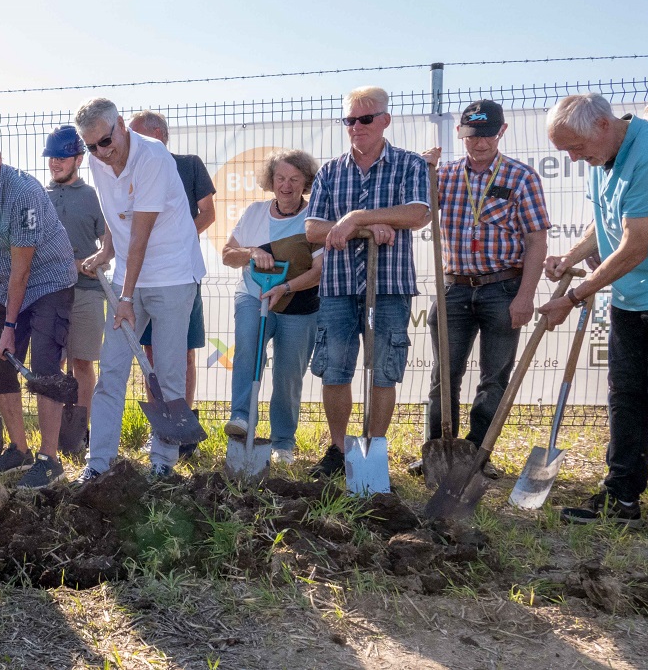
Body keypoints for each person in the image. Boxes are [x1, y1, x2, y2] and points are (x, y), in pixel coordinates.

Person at [537, 93, 648, 527]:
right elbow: (604, 219)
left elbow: (634, 245)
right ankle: (621, 498)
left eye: (574, 148)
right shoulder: (603, 156)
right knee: (626, 398)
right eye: (564, 150)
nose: (572, 158)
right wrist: (570, 257)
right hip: (630, 299)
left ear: (603, 126)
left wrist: (573, 297)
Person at [74, 98, 206, 482]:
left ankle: (163, 462)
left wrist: (126, 298)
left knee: (167, 372)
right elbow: (119, 218)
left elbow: (142, 235)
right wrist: (106, 251)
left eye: (105, 141)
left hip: (172, 274)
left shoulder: (153, 158)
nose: (101, 151)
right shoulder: (100, 161)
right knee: (112, 369)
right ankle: (97, 464)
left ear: (121, 127)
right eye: (92, 146)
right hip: (128, 274)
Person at [303, 86, 430, 479]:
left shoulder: (409, 164)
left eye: (366, 119)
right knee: (335, 371)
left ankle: (373, 450)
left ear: (385, 120)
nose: (356, 127)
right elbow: (312, 229)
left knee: (383, 371)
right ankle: (340, 450)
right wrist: (364, 227)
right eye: (350, 120)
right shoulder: (330, 170)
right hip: (338, 287)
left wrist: (355, 216)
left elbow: (417, 214)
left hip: (389, 287)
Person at [417, 100, 549, 468]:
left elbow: (537, 240)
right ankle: (439, 452)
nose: (480, 144)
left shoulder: (521, 177)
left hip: (503, 288)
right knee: (444, 375)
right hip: (454, 288)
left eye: (488, 135)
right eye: (473, 136)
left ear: (501, 132)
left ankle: (477, 454)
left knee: (494, 378)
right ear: (461, 134)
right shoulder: (441, 176)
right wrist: (420, 171)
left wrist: (526, 296)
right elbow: (414, 215)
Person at [0, 134, 77, 489]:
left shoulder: (23, 193)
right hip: (9, 284)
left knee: (47, 370)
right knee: (1, 368)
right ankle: (19, 450)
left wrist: (9, 326)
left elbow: (24, 268)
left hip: (49, 280)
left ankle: (50, 459)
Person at [222, 150, 323, 464]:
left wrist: (286, 286)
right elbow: (227, 254)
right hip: (255, 295)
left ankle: (282, 443)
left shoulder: (315, 219)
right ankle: (241, 418)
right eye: (280, 178)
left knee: (288, 375)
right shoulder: (255, 212)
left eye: (294, 179)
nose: (286, 185)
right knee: (248, 349)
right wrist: (252, 251)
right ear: (271, 180)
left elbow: (319, 272)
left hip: (299, 304)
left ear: (306, 182)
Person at [128, 110, 215, 416]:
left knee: (183, 354)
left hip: (180, 276)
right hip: (142, 277)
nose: (130, 142)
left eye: (136, 134)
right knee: (150, 355)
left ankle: (182, 420)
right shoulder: (131, 172)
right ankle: (160, 421)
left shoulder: (189, 165)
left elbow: (208, 213)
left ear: (158, 134)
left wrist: (173, 239)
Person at [43, 126, 108, 444]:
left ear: (78, 159)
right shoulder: (41, 198)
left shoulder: (93, 197)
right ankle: (53, 433)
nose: (55, 163)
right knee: (52, 362)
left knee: (81, 361)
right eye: (51, 157)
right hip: (49, 295)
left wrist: (95, 261)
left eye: (62, 157)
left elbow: (108, 246)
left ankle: (79, 433)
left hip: (87, 292)